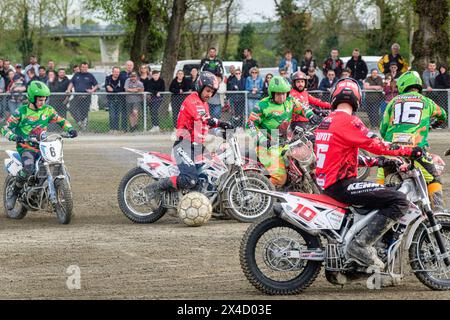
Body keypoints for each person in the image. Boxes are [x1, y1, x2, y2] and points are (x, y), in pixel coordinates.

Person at [314, 77, 421, 269]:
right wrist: (409, 151)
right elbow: (377, 144)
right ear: (357, 99)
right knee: (399, 200)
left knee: (385, 190)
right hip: (341, 185)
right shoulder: (349, 121)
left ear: (334, 97)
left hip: (329, 183)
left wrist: (377, 162)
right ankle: (360, 245)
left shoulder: (327, 122)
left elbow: (341, 157)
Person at [144, 71, 233, 197]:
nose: (210, 94)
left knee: (212, 170)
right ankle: (156, 187)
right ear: (200, 87)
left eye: (212, 92)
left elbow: (206, 125)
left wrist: (220, 132)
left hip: (197, 146)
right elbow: (204, 118)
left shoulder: (204, 104)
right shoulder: (192, 100)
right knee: (189, 179)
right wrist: (221, 123)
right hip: (183, 145)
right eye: (207, 90)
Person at [1, 81, 77, 210]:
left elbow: (61, 120)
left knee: (57, 164)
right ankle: (13, 193)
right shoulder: (21, 112)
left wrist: (70, 129)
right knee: (29, 168)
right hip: (26, 147)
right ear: (31, 98)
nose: (43, 102)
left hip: (43, 145)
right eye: (40, 100)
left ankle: (55, 192)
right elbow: (5, 128)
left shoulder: (48, 110)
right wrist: (14, 136)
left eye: (44, 99)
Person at [379, 71, 447, 211]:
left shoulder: (393, 101)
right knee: (433, 178)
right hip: (415, 148)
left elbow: (382, 129)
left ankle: (379, 207)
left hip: (392, 148)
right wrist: (432, 125)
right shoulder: (427, 101)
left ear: (403, 85)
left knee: (383, 177)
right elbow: (443, 116)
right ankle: (438, 213)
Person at [246, 75, 320, 187]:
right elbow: (250, 124)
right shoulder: (262, 105)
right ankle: (265, 194)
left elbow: (302, 107)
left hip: (284, 143)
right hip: (265, 146)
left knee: (302, 165)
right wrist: (262, 140)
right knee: (280, 178)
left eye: (284, 93)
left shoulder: (290, 101)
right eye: (279, 94)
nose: (282, 97)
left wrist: (311, 115)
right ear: (272, 93)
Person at [66, 62, 98, 131]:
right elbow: (71, 83)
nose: (84, 69)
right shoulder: (76, 75)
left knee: (84, 113)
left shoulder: (90, 75)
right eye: (83, 67)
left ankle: (84, 128)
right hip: (77, 96)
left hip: (86, 97)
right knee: (71, 108)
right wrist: (68, 89)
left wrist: (92, 90)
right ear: (80, 67)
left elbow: (96, 85)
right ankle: (79, 123)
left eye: (86, 67)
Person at [105, 66, 125, 133]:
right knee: (112, 115)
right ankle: (111, 129)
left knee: (117, 115)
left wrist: (113, 90)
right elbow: (107, 88)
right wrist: (115, 90)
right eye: (115, 72)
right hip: (111, 99)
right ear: (112, 72)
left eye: (118, 72)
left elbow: (122, 89)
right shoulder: (108, 78)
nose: (117, 73)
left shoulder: (121, 79)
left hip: (119, 100)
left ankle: (116, 129)